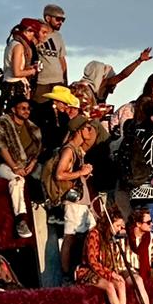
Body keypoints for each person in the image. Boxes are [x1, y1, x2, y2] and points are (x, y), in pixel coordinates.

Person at [76, 208, 138, 304]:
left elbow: (113, 261)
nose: (119, 229)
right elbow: (92, 261)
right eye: (117, 226)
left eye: (121, 226)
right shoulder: (94, 234)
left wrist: (114, 275)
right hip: (88, 271)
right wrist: (110, 275)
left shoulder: (112, 239)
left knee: (120, 283)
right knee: (109, 286)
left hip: (105, 271)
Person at [0, 95, 43, 239]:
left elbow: (36, 151)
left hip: (27, 165)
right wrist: (14, 167)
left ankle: (53, 209)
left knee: (45, 173)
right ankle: (21, 220)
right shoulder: (2, 123)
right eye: (22, 108)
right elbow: (1, 148)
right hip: (2, 164)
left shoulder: (32, 127)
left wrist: (32, 164)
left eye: (28, 108)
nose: (26, 111)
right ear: (13, 109)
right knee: (17, 180)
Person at [48, 117, 97, 276]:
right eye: (87, 128)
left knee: (85, 233)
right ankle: (66, 274)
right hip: (72, 201)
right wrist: (81, 172)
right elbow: (60, 174)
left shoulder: (76, 149)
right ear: (79, 131)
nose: (90, 131)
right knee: (70, 237)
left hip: (79, 200)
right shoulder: (69, 150)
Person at [81, 50, 152, 105]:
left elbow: (122, 75)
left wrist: (139, 61)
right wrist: (138, 61)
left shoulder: (103, 86)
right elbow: (122, 75)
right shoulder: (81, 88)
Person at [1, 18, 47, 102]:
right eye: (33, 33)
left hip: (9, 84)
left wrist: (29, 67)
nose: (33, 36)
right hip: (15, 86)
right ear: (27, 31)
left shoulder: (12, 43)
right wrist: (33, 71)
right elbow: (17, 72)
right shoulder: (19, 46)